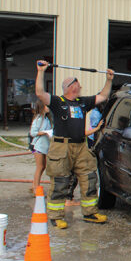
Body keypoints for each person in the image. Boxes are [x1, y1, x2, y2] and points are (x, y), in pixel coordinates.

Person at [35, 60, 114, 228]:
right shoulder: (57, 102)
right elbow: (40, 93)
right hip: (61, 147)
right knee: (60, 182)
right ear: (71, 86)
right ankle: (56, 216)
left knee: (90, 178)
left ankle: (90, 213)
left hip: (81, 147)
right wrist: (41, 72)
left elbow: (103, 96)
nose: (81, 87)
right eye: (78, 84)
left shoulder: (83, 102)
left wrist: (109, 80)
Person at [29, 99, 53, 194]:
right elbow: (33, 133)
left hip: (45, 146)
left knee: (44, 167)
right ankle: (35, 189)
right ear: (42, 108)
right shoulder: (39, 119)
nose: (48, 108)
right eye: (46, 106)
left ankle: (34, 185)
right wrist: (44, 133)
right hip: (38, 146)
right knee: (40, 167)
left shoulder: (47, 118)